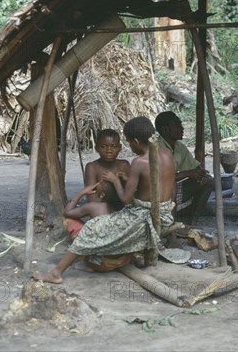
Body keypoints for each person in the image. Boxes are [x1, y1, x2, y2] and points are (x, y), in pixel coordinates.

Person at [33, 116, 176, 283]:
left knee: (92, 228)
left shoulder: (139, 162)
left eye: (129, 143)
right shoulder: (167, 153)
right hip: (165, 213)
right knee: (104, 223)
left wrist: (116, 181)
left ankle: (56, 273)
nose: (130, 146)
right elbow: (155, 186)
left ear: (136, 141)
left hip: (146, 217)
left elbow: (125, 199)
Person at [155, 111, 213, 225]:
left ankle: (191, 222)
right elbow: (162, 178)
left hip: (173, 191)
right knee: (171, 186)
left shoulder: (179, 146)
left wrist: (200, 176)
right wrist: (188, 173)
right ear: (165, 129)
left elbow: (195, 167)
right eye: (177, 125)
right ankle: (170, 225)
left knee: (208, 181)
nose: (182, 129)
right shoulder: (157, 147)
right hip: (157, 194)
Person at [84, 129, 130, 207]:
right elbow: (93, 202)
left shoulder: (124, 165)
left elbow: (134, 194)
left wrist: (124, 180)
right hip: (103, 213)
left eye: (114, 146)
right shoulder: (92, 167)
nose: (109, 151)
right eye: (103, 147)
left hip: (125, 211)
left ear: (120, 148)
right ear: (96, 148)